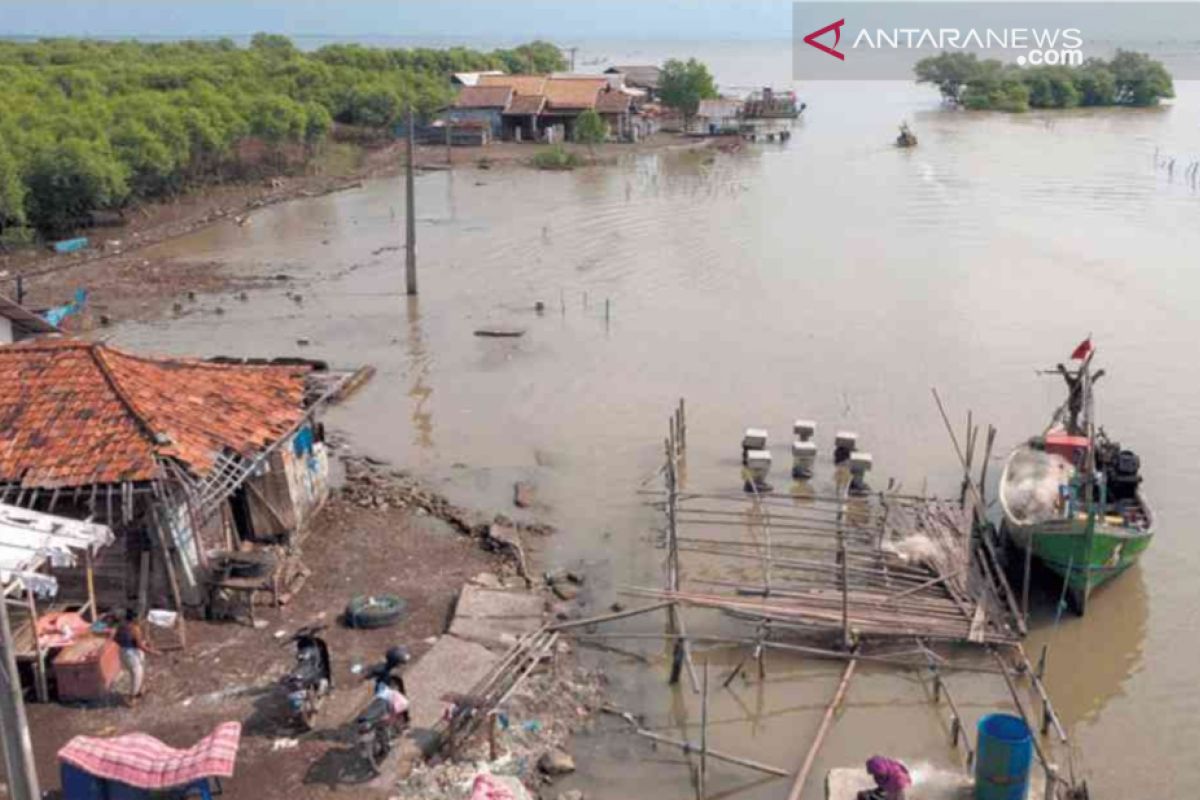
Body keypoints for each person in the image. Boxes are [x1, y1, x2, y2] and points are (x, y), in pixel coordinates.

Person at [114, 610, 158, 706]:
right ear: (134, 619)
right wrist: (154, 652)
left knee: (137, 671)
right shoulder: (134, 628)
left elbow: (115, 639)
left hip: (123, 652)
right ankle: (132, 698)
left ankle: (140, 690)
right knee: (137, 674)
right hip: (132, 653)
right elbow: (140, 646)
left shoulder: (121, 626)